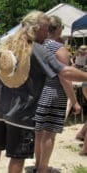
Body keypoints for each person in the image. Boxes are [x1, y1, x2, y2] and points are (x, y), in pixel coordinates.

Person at [0, 10, 87, 173]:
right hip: (22, 111)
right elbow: (65, 72)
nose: (47, 33)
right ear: (36, 28)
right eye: (45, 28)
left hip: (1, 107)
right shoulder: (36, 49)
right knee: (17, 156)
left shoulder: (7, 43)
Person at [34, 15, 81, 172]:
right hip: (54, 93)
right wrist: (74, 101)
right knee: (50, 133)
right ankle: (43, 168)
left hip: (39, 92)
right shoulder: (59, 48)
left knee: (39, 132)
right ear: (58, 28)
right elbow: (64, 77)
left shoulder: (39, 46)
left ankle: (38, 165)